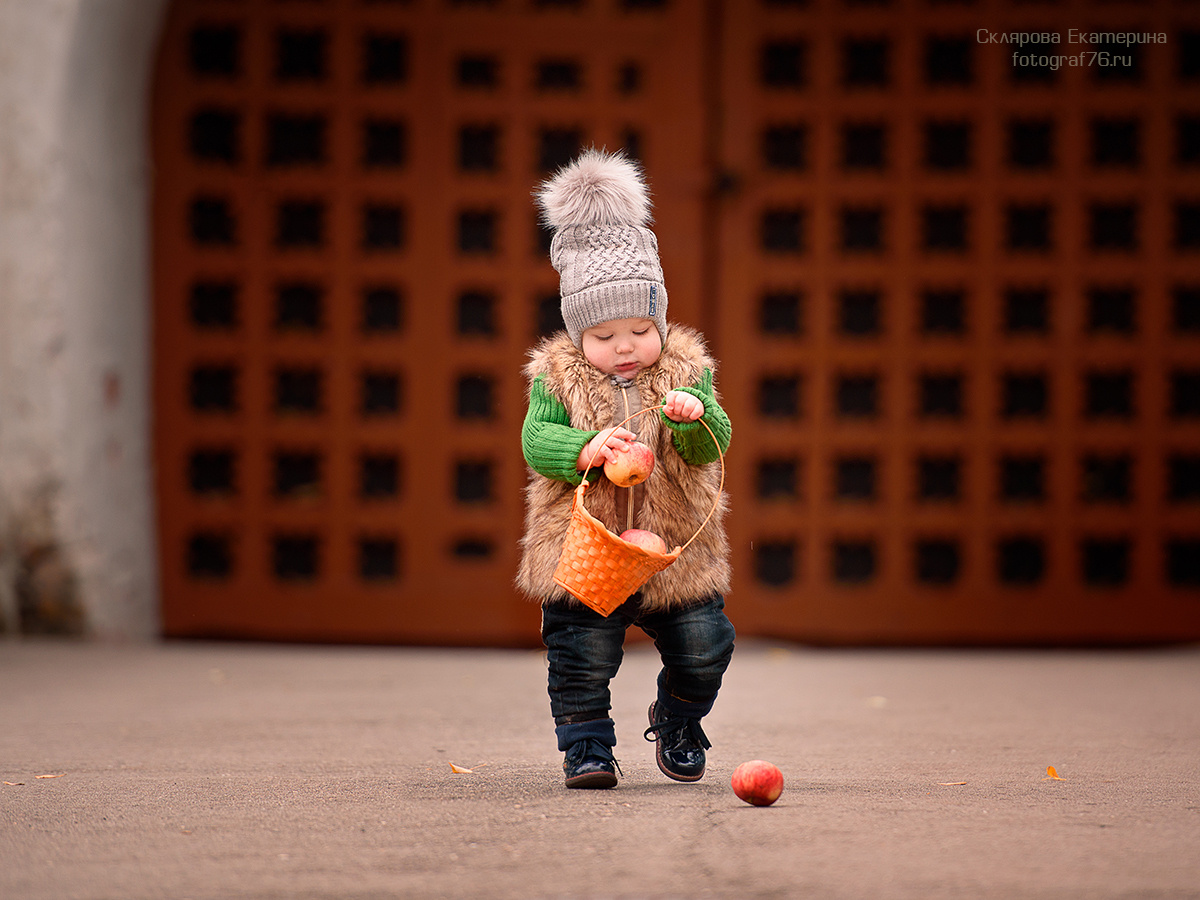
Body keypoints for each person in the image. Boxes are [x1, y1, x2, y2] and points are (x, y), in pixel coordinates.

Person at [517, 149, 735, 789]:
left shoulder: (687, 373)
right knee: (580, 656)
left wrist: (694, 419)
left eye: (641, 328)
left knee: (704, 645)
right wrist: (582, 449)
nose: (624, 347)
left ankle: (679, 717)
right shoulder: (556, 377)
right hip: (588, 549)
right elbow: (536, 441)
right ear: (578, 334)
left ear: (660, 320)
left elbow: (712, 448)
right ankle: (586, 749)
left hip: (674, 550)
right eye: (605, 335)